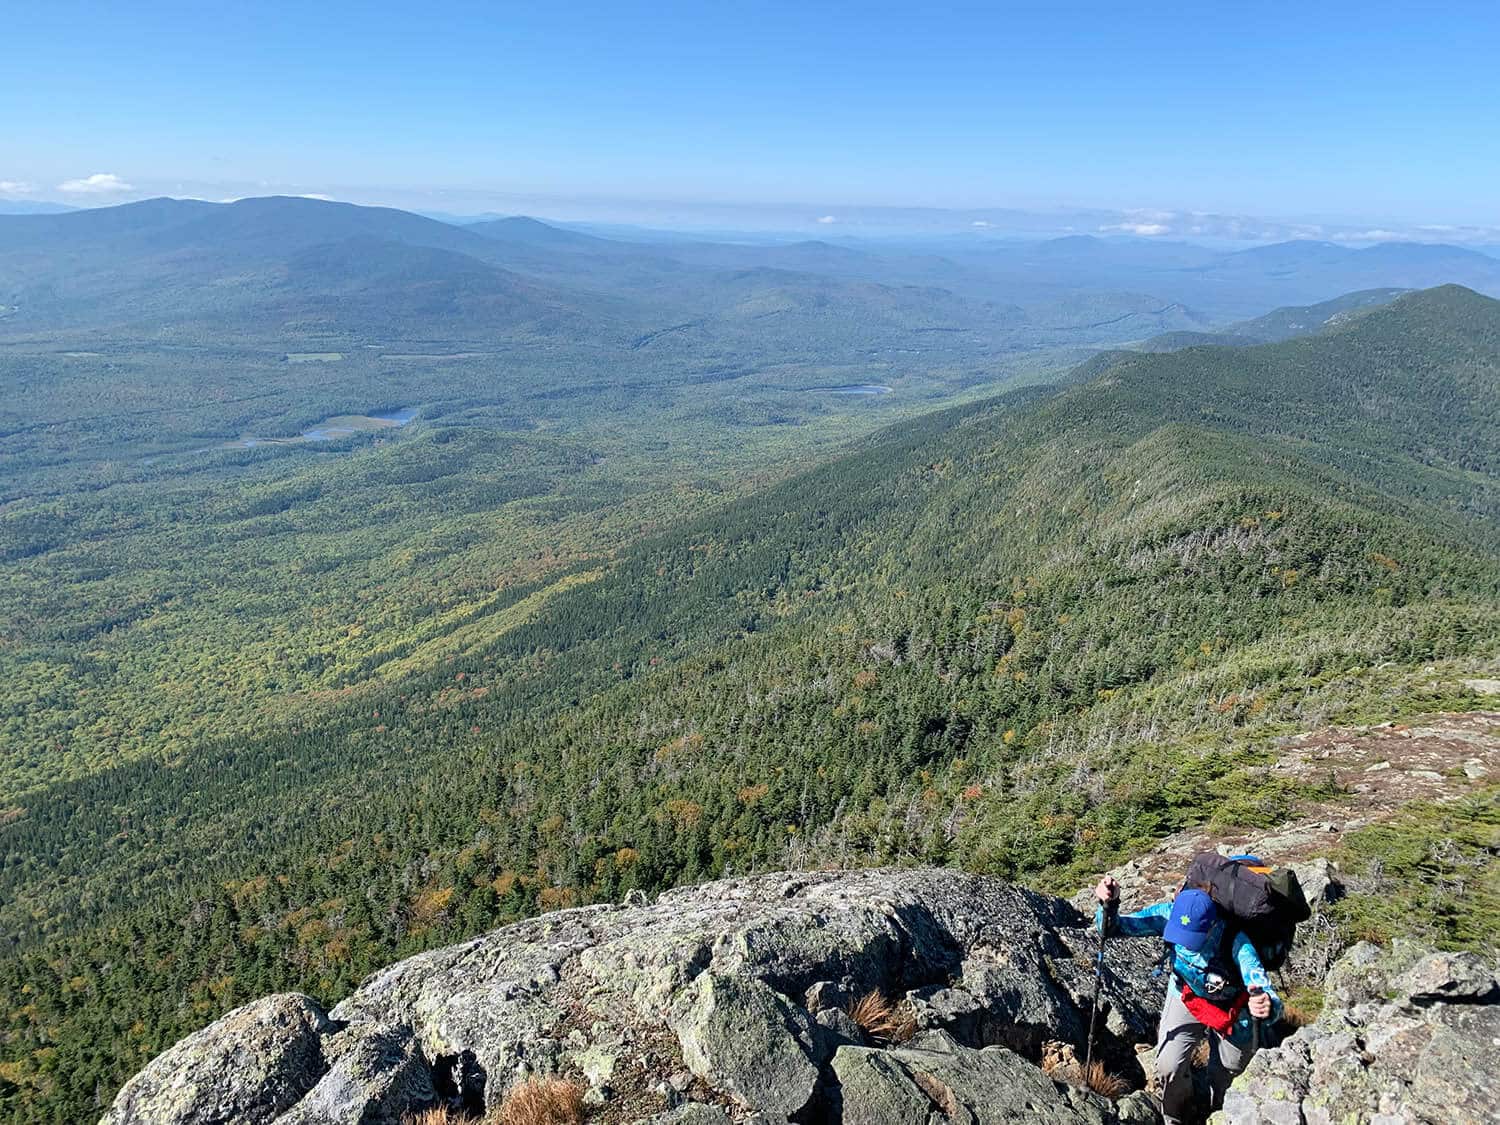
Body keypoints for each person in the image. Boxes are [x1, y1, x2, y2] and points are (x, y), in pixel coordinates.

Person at [1094, 874, 1282, 1125]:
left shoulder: (1237, 942)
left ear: (1212, 925)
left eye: (1193, 937)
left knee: (1227, 1074)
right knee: (1168, 1065)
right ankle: (1175, 1117)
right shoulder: (1169, 913)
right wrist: (1109, 904)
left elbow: (1264, 990)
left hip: (1233, 1010)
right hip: (1187, 995)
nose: (1184, 943)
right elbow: (1114, 928)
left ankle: (1221, 1115)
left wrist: (1266, 1005)